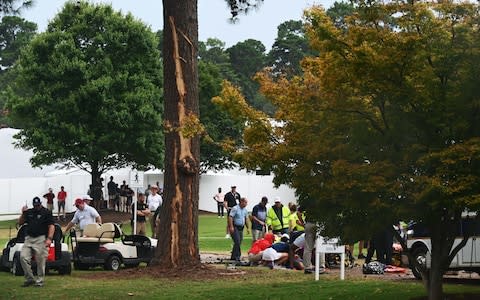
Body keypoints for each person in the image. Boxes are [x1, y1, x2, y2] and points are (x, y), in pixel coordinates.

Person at [18, 196, 54, 287]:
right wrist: (23, 213)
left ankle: (40, 281)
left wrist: (49, 238)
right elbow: (20, 222)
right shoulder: (29, 212)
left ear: (40, 204)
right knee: (23, 257)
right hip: (29, 238)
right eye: (35, 205)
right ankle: (29, 278)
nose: (36, 207)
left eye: (38, 205)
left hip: (41, 238)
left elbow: (51, 226)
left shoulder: (46, 212)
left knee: (40, 260)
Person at [228, 197, 250, 262]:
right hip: (235, 227)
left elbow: (246, 219)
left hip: (241, 228)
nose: (246, 204)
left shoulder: (245, 210)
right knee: (237, 241)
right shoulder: (235, 208)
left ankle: (233, 257)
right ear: (241, 202)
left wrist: (248, 228)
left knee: (239, 242)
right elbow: (230, 217)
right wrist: (231, 226)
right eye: (245, 202)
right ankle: (238, 256)